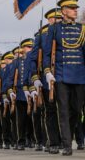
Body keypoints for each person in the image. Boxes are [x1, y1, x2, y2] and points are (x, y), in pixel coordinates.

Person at [43, 0, 85, 156]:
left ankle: (66, 136)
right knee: (63, 111)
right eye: (72, 8)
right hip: (61, 76)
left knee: (76, 111)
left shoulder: (83, 29)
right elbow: (46, 53)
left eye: (76, 8)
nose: (76, 11)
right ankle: (66, 144)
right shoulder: (54, 29)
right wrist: (47, 72)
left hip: (79, 76)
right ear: (64, 11)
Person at [29, 8, 63, 154]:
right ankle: (52, 140)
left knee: (65, 110)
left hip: (62, 77)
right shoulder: (42, 37)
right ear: (49, 20)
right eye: (56, 19)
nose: (59, 21)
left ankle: (62, 139)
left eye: (60, 18)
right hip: (46, 78)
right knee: (50, 110)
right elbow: (32, 60)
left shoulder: (66, 33)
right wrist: (36, 78)